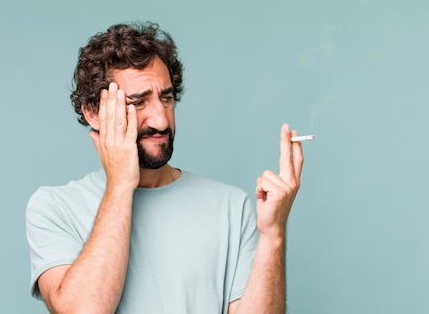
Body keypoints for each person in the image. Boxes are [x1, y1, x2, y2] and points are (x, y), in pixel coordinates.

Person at [26, 22, 304, 314]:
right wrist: (121, 183)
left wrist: (273, 235)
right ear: (93, 112)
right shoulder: (53, 208)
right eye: (138, 102)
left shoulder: (232, 207)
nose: (161, 120)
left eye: (167, 98)